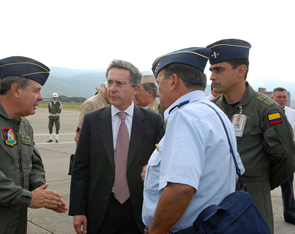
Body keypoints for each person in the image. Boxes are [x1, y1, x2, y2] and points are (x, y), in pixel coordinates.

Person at [0, 56, 68, 234]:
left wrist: (39, 189)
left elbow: (34, 163)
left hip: (16, 221)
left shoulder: (24, 125)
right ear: (15, 90)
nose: (40, 97)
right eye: (36, 91)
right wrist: (28, 198)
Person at [142, 47, 244, 233]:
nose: (157, 93)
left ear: (173, 81)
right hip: (215, 225)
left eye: (159, 83)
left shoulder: (184, 116)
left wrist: (155, 231)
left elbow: (181, 188)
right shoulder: (216, 113)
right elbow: (235, 175)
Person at [207, 39, 295, 233]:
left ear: (241, 70)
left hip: (252, 198)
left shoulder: (267, 110)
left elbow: (286, 160)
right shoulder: (212, 109)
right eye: (211, 70)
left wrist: (258, 182)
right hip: (217, 198)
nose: (212, 76)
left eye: (218, 70)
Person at [69, 59, 165, 234]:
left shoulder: (153, 121)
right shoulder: (93, 120)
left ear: (136, 89)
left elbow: (164, 165)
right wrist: (78, 210)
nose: (112, 88)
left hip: (139, 210)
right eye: (110, 82)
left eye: (120, 83)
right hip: (101, 210)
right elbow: (80, 168)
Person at [271, 87, 295, 224]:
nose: (281, 100)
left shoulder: (292, 113)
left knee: (288, 186)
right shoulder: (267, 112)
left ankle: (290, 213)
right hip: (269, 155)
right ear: (272, 98)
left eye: (284, 97)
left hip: (286, 156)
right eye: (279, 97)